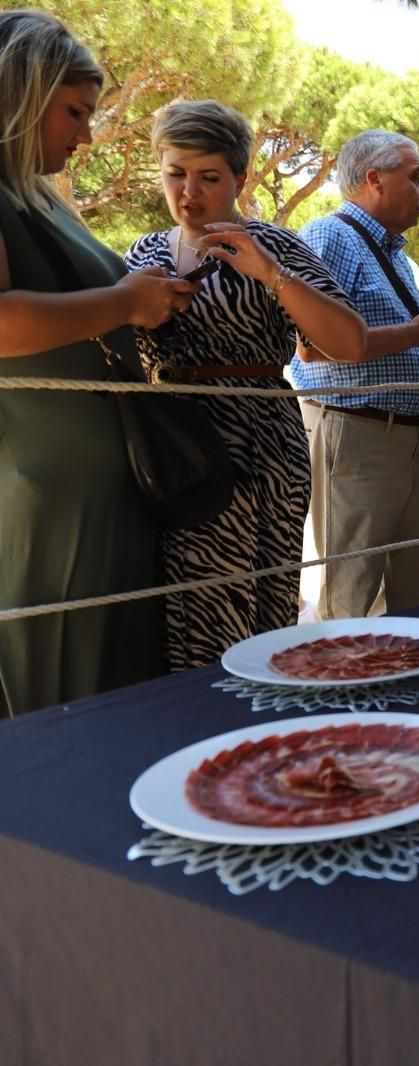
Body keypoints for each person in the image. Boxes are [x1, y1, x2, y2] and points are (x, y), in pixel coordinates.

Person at [0, 10, 200, 715]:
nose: (87, 136)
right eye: (75, 113)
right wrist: (123, 302)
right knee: (61, 718)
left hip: (102, 494)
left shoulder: (33, 195)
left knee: (112, 710)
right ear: (18, 94)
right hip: (47, 507)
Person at [124, 100, 366, 669]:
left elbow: (349, 343)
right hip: (169, 447)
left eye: (208, 177)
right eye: (175, 174)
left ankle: (254, 723)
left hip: (260, 450)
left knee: (256, 605)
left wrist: (269, 275)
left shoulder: (274, 247)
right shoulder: (141, 254)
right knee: (180, 606)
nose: (189, 192)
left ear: (238, 177)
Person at [294, 129, 419, 618]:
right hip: (356, 436)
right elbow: (311, 348)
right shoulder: (327, 236)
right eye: (415, 177)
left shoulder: (403, 260)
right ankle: (341, 694)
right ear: (374, 178)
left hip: (407, 440)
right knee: (351, 597)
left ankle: (400, 692)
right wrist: (417, 335)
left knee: (411, 596)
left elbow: (399, 346)